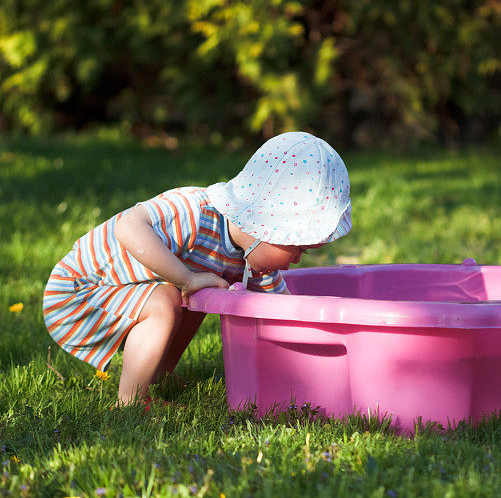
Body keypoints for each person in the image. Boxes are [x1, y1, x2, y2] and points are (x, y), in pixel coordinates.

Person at [42, 131, 351, 406]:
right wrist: (185, 277)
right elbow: (129, 226)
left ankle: (160, 373)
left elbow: (283, 312)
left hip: (122, 292)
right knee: (170, 297)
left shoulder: (255, 262)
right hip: (82, 291)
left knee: (201, 290)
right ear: (266, 227)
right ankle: (131, 400)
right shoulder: (195, 212)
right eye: (297, 247)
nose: (297, 259)